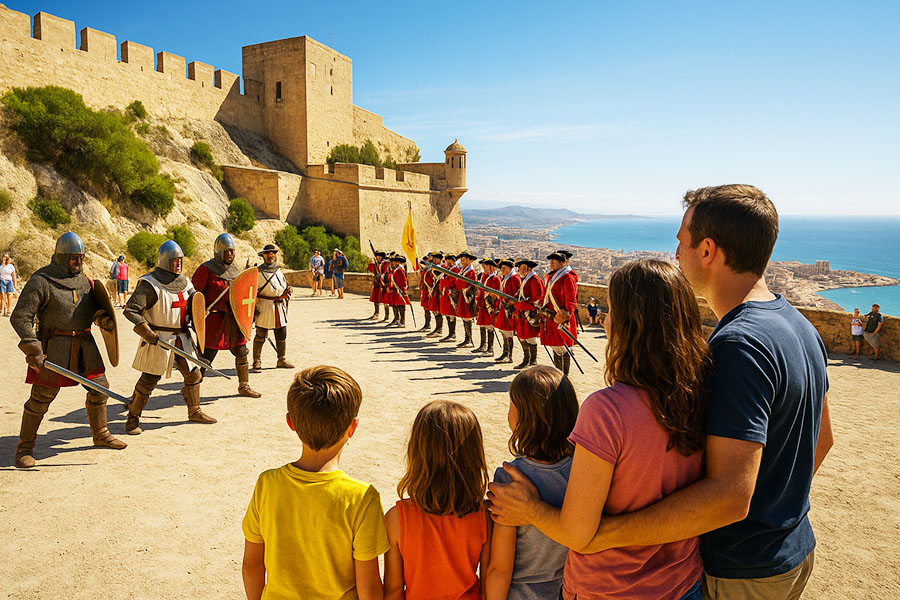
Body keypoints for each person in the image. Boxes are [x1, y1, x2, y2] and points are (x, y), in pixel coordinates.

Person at [493, 184, 834, 600]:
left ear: (707, 250)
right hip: (792, 547)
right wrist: (777, 508)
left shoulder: (737, 346)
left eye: (681, 241)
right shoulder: (799, 326)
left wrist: (604, 535)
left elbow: (730, 497)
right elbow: (821, 441)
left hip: (743, 564)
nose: (676, 253)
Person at [490, 260, 709, 599]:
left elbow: (577, 532)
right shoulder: (703, 394)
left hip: (613, 586)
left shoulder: (607, 410)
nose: (604, 319)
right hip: (681, 582)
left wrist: (531, 508)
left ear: (627, 324)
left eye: (610, 310)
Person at [241, 366, 389, 600]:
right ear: (352, 427)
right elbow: (369, 585)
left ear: (291, 423)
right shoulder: (361, 497)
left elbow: (251, 566)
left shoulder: (267, 484)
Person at [10, 232, 126, 468]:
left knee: (99, 388)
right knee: (42, 398)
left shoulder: (84, 280)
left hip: (85, 345)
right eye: (74, 258)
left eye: (81, 258)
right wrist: (33, 348)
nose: (79, 263)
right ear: (62, 257)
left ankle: (101, 433)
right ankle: (24, 448)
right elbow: (20, 317)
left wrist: (102, 318)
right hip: (55, 348)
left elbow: (91, 308)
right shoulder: (41, 280)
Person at [484, 365, 579, 600]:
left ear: (524, 419)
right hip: (567, 590)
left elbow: (500, 568)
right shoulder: (581, 470)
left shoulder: (510, 478)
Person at [383, 400, 492, 600]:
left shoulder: (397, 519)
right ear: (474, 455)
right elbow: (488, 586)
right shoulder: (485, 517)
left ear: (416, 451)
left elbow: (393, 590)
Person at [123, 240, 216, 434]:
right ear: (165, 261)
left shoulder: (185, 282)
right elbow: (131, 310)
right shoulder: (150, 283)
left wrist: (200, 313)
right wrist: (147, 332)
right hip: (159, 338)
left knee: (194, 375)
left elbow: (193, 304)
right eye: (175, 261)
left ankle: (195, 410)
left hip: (182, 336)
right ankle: (133, 417)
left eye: (180, 260)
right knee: (149, 379)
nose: (179, 264)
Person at [192, 233, 261, 398]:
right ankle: (191, 386)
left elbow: (243, 293)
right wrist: (196, 317)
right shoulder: (206, 269)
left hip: (233, 319)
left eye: (232, 251)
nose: (230, 254)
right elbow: (194, 295)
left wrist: (252, 310)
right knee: (206, 356)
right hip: (214, 320)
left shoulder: (235, 271)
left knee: (241, 351)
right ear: (218, 252)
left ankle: (244, 386)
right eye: (227, 251)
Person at [252, 244, 293, 372]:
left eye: (273, 253)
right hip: (264, 306)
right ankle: (256, 361)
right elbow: (251, 291)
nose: (271, 255)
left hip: (279, 307)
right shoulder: (258, 272)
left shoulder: (279, 271)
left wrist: (287, 289)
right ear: (263, 255)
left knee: (281, 333)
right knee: (261, 334)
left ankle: (281, 359)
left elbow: (283, 285)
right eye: (268, 253)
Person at [540, 252, 579, 376]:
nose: (551, 264)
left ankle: (564, 376)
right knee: (556, 347)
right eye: (550, 261)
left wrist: (566, 314)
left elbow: (571, 301)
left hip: (562, 318)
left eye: (554, 261)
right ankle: (558, 374)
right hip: (552, 317)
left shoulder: (567, 277)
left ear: (562, 263)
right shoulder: (554, 277)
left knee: (564, 348)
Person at [512, 259, 544, 369]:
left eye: (523, 269)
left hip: (529, 312)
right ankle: (526, 359)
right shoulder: (525, 279)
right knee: (522, 336)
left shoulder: (534, 279)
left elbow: (536, 298)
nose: (521, 270)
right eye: (520, 268)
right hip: (521, 312)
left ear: (529, 269)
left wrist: (524, 304)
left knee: (530, 337)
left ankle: (533, 360)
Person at [493, 258, 521, 364]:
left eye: (504, 268)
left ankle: (509, 355)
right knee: (504, 331)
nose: (502, 270)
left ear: (510, 268)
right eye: (502, 268)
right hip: (504, 307)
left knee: (508, 331)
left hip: (510, 309)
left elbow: (516, 294)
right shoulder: (507, 278)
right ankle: (505, 353)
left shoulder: (514, 278)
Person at [474, 258, 501, 357]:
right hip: (482, 304)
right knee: (482, 325)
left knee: (489, 327)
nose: (484, 268)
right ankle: (483, 345)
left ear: (492, 267)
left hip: (489, 306)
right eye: (483, 266)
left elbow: (495, 294)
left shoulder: (495, 278)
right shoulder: (484, 277)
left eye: (486, 266)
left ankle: (490, 349)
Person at [454, 250, 479, 348]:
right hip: (464, 297)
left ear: (469, 260)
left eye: (464, 259)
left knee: (467, 318)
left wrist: (458, 282)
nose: (462, 261)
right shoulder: (464, 270)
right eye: (461, 259)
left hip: (468, 298)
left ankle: (469, 340)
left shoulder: (470, 272)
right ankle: (467, 338)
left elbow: (462, 284)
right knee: (464, 318)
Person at [438, 253, 460, 342]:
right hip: (446, 293)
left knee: (451, 314)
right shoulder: (448, 269)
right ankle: (450, 333)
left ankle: (452, 334)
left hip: (451, 294)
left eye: (447, 260)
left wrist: (443, 283)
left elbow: (451, 282)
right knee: (447, 314)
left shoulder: (455, 269)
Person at [424, 252, 445, 337]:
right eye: (434, 258)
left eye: (436, 258)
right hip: (434, 291)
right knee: (435, 310)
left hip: (438, 292)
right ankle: (437, 328)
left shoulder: (442, 268)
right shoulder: (433, 267)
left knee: (438, 310)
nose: (434, 260)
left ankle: (439, 330)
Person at [386, 254, 409, 328]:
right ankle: (396, 319)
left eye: (394, 261)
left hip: (399, 290)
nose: (392, 263)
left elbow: (404, 281)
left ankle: (402, 321)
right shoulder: (395, 269)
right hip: (394, 290)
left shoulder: (400, 270)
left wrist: (403, 290)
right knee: (395, 305)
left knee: (401, 306)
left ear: (397, 262)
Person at [366, 250, 387, 320]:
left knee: (385, 299)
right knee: (375, 298)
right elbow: (370, 270)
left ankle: (386, 316)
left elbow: (386, 273)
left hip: (383, 283)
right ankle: (376, 313)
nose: (378, 257)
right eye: (377, 256)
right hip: (376, 282)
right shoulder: (375, 264)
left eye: (379, 256)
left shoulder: (385, 264)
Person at [418, 253, 434, 332]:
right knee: (425, 309)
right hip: (425, 291)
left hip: (430, 291)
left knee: (433, 310)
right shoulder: (425, 270)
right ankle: (427, 324)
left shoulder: (431, 270)